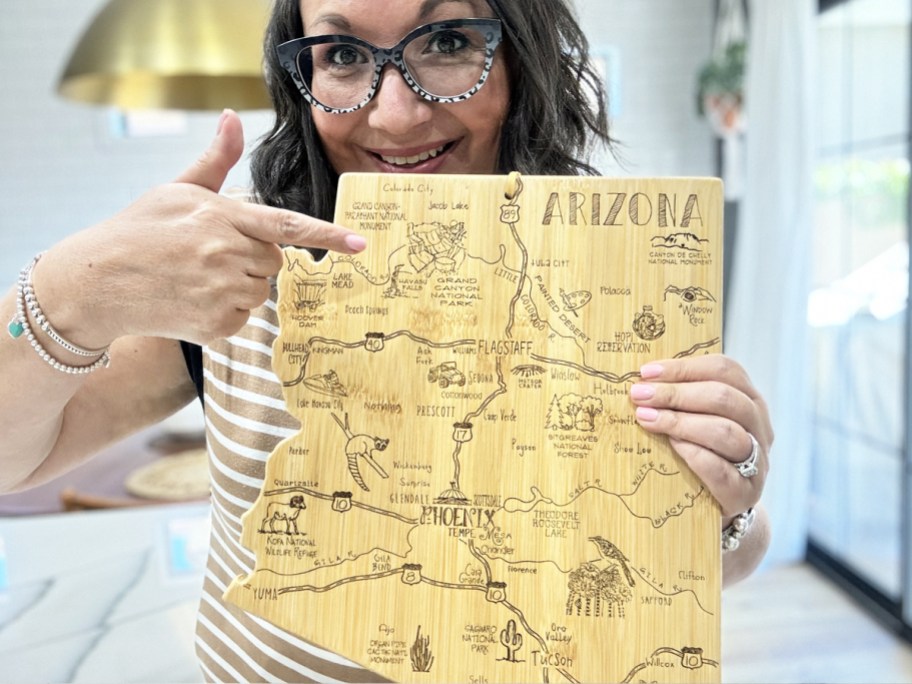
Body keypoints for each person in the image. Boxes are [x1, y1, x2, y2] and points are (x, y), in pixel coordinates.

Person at [1, 0, 772, 681]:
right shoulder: (244, 271)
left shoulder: (613, 268)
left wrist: (728, 506)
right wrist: (70, 294)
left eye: (446, 43)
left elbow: (715, 555)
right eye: (342, 56)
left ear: (521, 55)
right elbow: (14, 457)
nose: (397, 115)